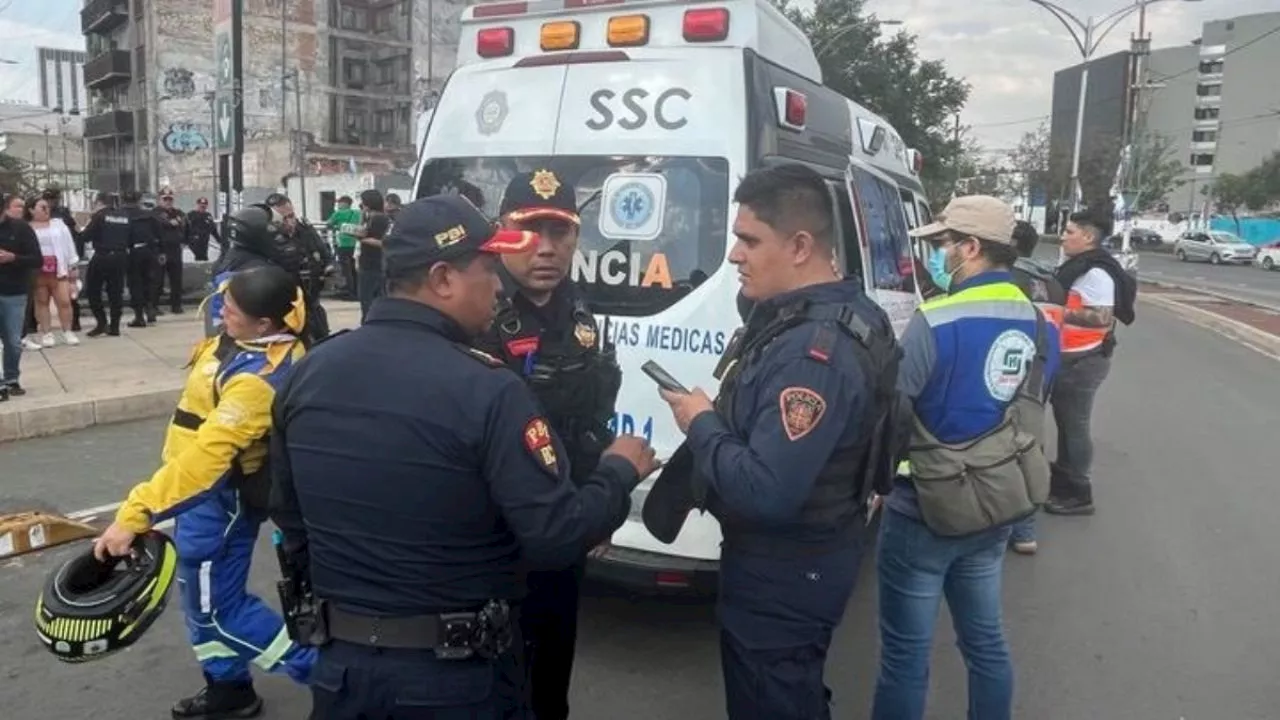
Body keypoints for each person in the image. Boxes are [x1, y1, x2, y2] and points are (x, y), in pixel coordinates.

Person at [268, 194, 657, 718]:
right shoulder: (488, 390)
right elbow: (555, 535)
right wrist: (618, 472)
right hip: (453, 679)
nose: (499, 287)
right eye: (488, 270)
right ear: (443, 278)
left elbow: (289, 518)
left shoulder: (310, 372)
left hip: (342, 671)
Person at [656, 164, 900, 719]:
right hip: (803, 561)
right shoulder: (833, 316)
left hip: (785, 573)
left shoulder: (813, 352)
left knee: (774, 701)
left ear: (799, 246)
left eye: (748, 240)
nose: (735, 255)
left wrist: (701, 421)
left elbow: (767, 490)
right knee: (791, 693)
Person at [93, 265, 315, 719]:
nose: (220, 311)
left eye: (230, 309)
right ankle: (229, 688)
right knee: (202, 600)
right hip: (201, 500)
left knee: (218, 611)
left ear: (266, 325)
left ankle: (329, 675)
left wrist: (135, 514)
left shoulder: (257, 382)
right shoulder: (248, 336)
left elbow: (204, 464)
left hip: (219, 502)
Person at [872, 196, 1060, 720]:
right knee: (986, 644)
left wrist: (875, 483)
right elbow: (1031, 401)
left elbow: (894, 409)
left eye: (943, 244)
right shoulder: (1040, 321)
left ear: (971, 248)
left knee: (906, 656)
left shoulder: (936, 317)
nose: (938, 254)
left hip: (925, 506)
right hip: (999, 499)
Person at [472, 170, 620, 720]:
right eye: (530, 230)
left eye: (562, 232)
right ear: (501, 233)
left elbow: (588, 419)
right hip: (491, 538)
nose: (547, 248)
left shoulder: (575, 311)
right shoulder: (477, 309)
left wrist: (595, 509)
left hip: (560, 528)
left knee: (552, 675)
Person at [1046, 210, 1136, 516]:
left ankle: (1079, 492)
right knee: (1065, 423)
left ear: (1087, 237)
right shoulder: (1077, 267)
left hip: (1085, 360)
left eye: (1069, 231)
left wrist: (1055, 312)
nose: (1063, 236)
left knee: (1075, 426)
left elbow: (1102, 317)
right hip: (1069, 357)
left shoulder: (1096, 273)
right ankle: (1062, 483)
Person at [1006, 219, 1066, 554]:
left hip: (1013, 368)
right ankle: (1026, 529)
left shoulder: (1010, 279)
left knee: (999, 446)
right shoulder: (1052, 281)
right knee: (1030, 442)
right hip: (1044, 371)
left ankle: (1005, 522)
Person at [207, 204, 309, 341]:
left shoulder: (227, 261)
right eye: (273, 230)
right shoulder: (260, 273)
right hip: (262, 348)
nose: (278, 235)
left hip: (228, 344)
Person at [0, 195, 41, 400]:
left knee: (13, 341)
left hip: (13, 292)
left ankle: (11, 378)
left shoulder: (21, 229)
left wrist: (12, 257)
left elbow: (36, 259)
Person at [25, 195, 81, 347]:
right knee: (41, 301)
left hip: (58, 268)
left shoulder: (58, 225)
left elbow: (69, 245)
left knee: (64, 301)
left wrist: (73, 266)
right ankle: (46, 332)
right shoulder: (27, 228)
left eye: (47, 207)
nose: (46, 210)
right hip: (38, 270)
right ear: (31, 210)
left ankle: (68, 331)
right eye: (41, 207)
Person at [78, 192, 131, 337]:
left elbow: (86, 236)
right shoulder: (124, 216)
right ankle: (115, 326)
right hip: (120, 256)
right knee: (116, 292)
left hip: (102, 256)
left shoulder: (99, 216)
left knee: (93, 290)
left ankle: (101, 322)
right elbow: (130, 237)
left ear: (99, 202)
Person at [112, 190, 164, 328]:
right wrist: (160, 251)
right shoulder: (148, 214)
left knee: (135, 284)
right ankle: (150, 308)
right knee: (149, 281)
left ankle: (139, 316)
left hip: (131, 252)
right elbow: (159, 233)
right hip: (149, 251)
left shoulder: (119, 215)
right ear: (139, 200)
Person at [44, 187, 83, 331]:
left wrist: (74, 257)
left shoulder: (63, 214)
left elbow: (74, 235)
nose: (51, 202)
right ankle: (33, 323)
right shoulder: (39, 214)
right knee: (41, 293)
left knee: (69, 293)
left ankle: (74, 321)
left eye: (53, 199)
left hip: (62, 258)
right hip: (46, 257)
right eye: (49, 199)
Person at [353, 189, 391, 322]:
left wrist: (362, 239)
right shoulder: (374, 217)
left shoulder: (378, 219)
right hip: (372, 264)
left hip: (372, 265)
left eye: (362, 203)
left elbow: (378, 240)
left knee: (367, 301)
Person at [154, 188, 189, 315]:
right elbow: (162, 223)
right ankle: (154, 306)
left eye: (170, 199)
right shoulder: (155, 212)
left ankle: (176, 305)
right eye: (165, 199)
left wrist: (185, 241)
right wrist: (171, 222)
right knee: (157, 279)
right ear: (159, 200)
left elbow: (185, 225)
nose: (168, 202)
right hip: (160, 250)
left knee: (176, 279)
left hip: (175, 249)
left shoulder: (178, 212)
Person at [326, 195, 360, 300]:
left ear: (344, 203)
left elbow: (328, 224)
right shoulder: (357, 213)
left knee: (347, 270)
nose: (338, 205)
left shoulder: (338, 214)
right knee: (355, 269)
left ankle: (350, 293)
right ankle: (357, 291)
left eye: (339, 203)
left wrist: (337, 227)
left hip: (344, 244)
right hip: (356, 244)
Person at [186, 197, 222, 261]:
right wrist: (185, 240)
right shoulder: (191, 215)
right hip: (194, 241)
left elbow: (213, 229)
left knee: (203, 258)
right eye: (201, 205)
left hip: (204, 242)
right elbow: (185, 228)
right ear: (197, 205)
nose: (202, 207)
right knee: (201, 257)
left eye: (204, 206)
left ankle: (201, 269)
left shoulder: (208, 215)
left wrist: (219, 240)